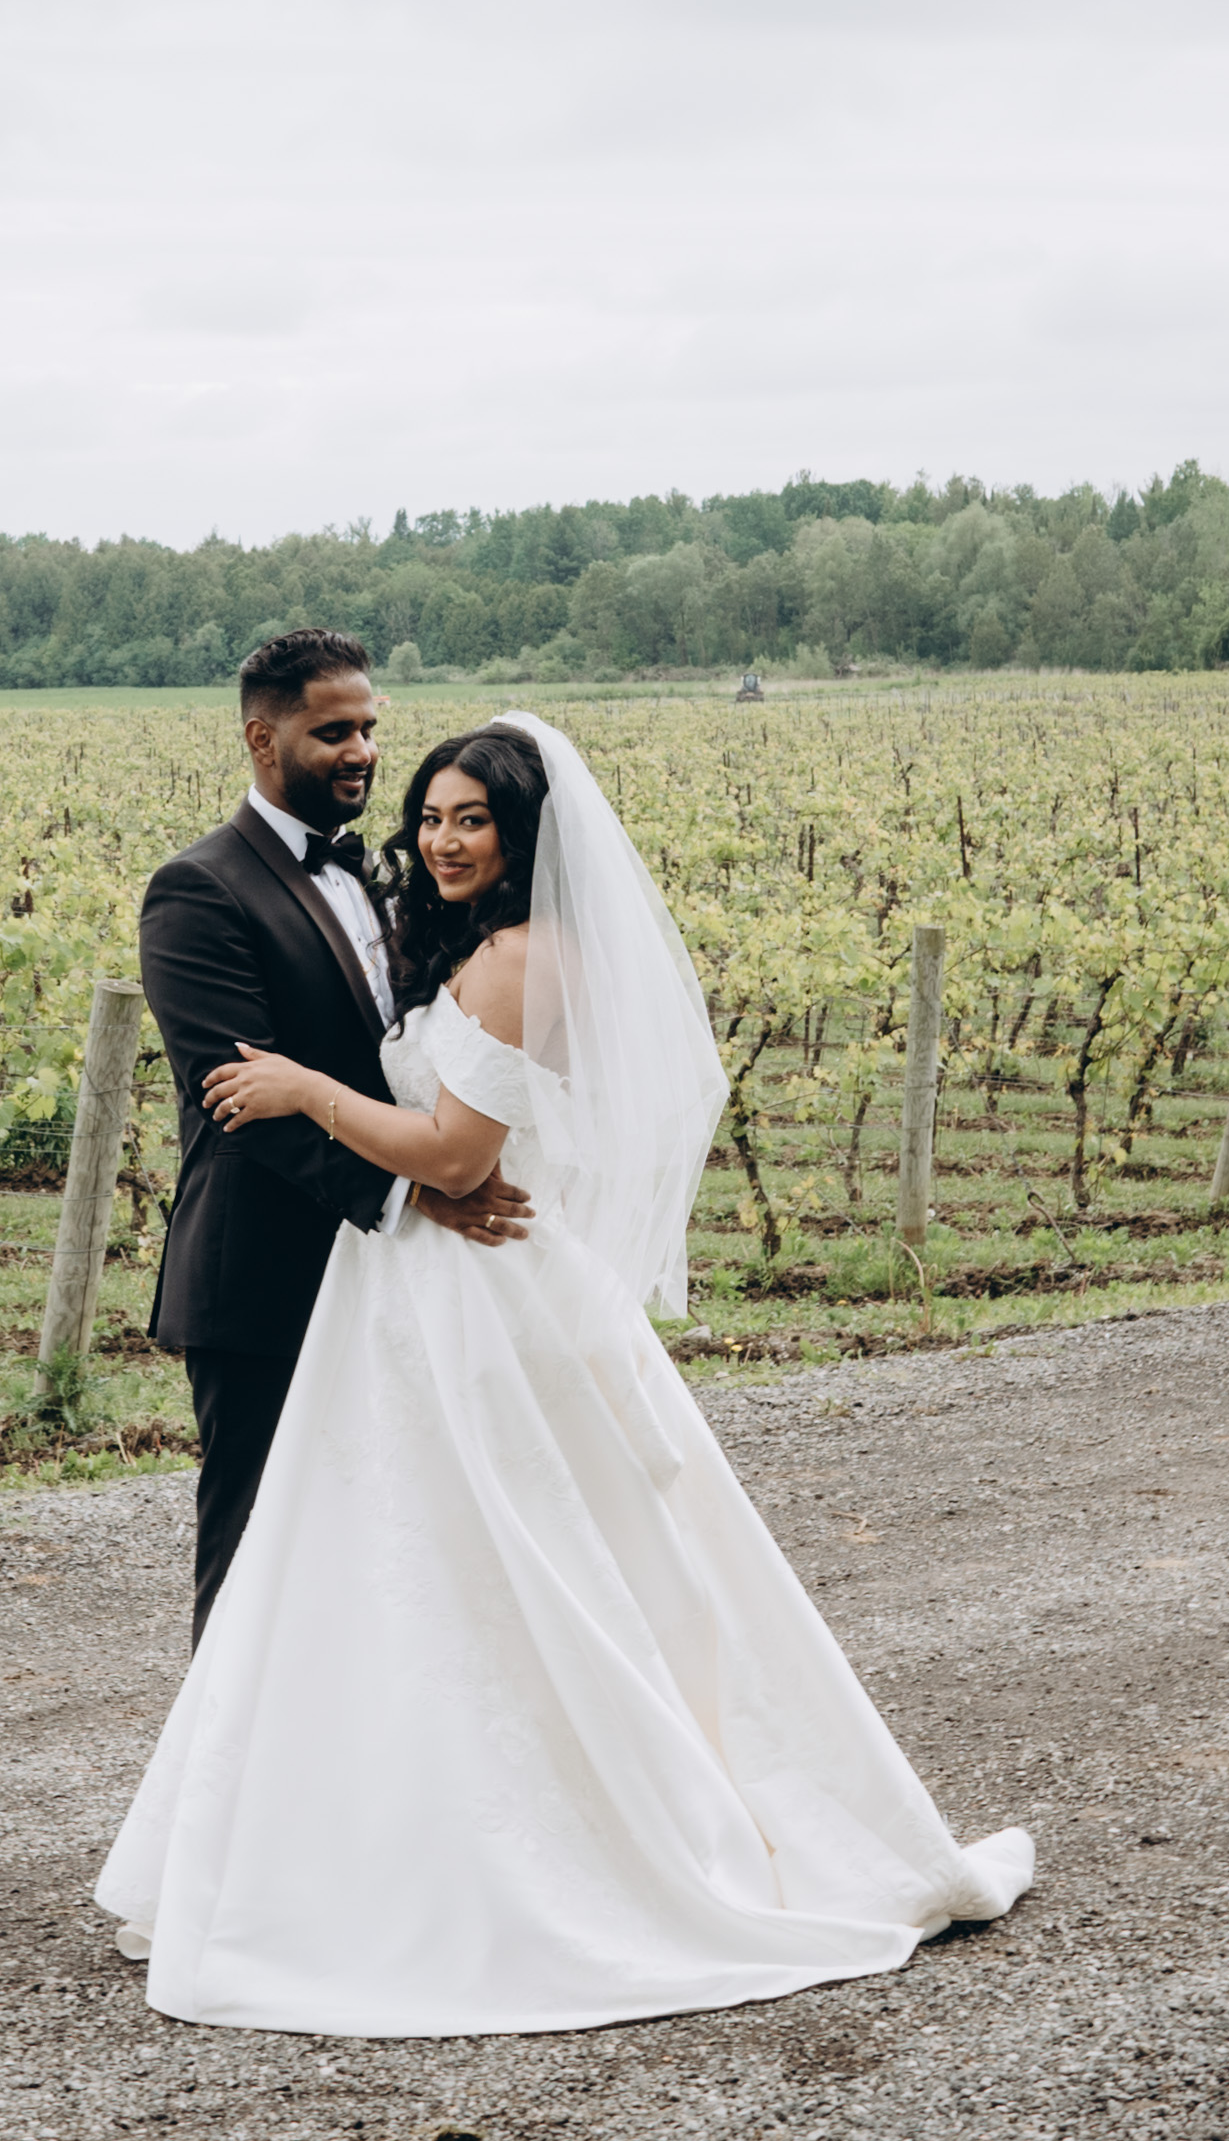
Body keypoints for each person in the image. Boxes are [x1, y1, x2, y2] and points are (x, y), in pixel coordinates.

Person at [100, 705, 1034, 2037]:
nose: (441, 839)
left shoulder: (516, 960)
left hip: (464, 1299)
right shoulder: (479, 942)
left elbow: (455, 1157)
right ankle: (347, 1843)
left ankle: (483, 1861)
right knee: (412, 1572)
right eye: (431, 816)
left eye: (471, 819)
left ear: (524, 832)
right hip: (423, 1289)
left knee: (481, 1567)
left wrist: (309, 1092)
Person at [136, 626, 530, 1651]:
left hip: (394, 1280)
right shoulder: (198, 889)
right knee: (256, 1551)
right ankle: (227, 1756)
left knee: (381, 1550)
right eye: (333, 733)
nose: (361, 751)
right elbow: (235, 1100)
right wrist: (415, 1190)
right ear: (263, 740)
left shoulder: (385, 879)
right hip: (266, 1276)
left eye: (367, 727)